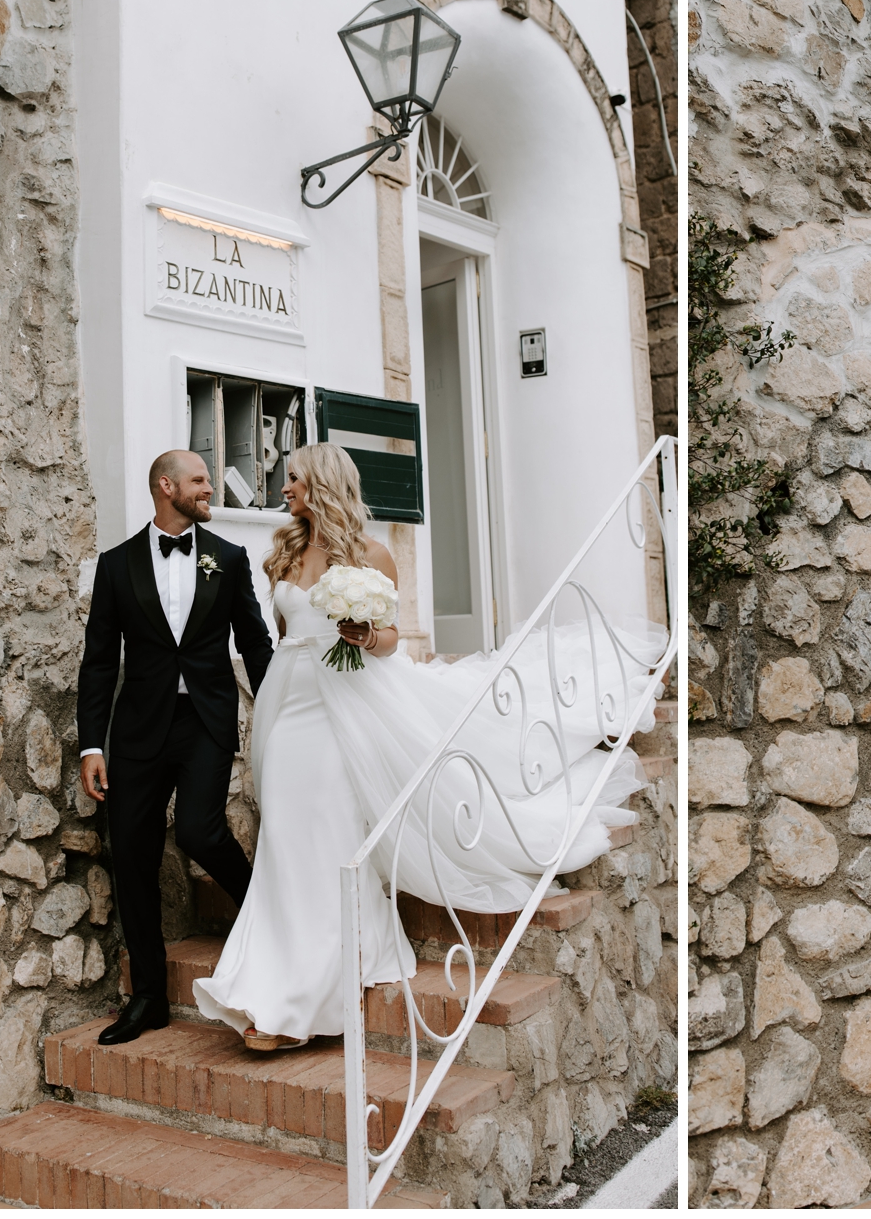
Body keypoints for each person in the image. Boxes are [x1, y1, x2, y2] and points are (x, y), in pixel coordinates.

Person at [193, 443, 654, 1051]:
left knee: (327, 832)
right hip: (288, 703)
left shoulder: (371, 554)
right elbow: (286, 634)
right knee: (281, 831)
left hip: (340, 704)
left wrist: (363, 635)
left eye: (294, 477)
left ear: (322, 483)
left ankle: (302, 998)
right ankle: (274, 968)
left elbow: (389, 639)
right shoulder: (285, 552)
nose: (284, 487)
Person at [76, 450, 275, 1046]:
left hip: (205, 721)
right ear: (167, 487)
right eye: (199, 480)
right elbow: (98, 661)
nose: (210, 488)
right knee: (132, 854)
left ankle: (266, 915)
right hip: (138, 730)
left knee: (197, 828)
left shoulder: (228, 558)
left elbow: (255, 642)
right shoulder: (116, 565)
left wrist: (276, 711)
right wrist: (91, 745)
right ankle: (149, 998)